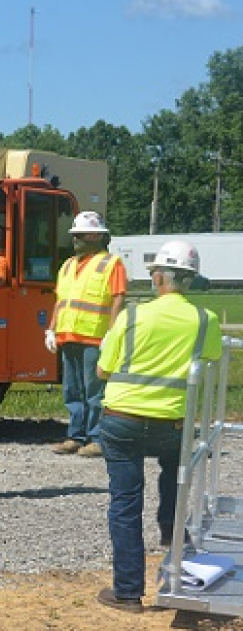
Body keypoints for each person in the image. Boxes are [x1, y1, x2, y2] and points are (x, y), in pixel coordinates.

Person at [93, 240, 221, 614]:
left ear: (160, 277)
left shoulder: (131, 316)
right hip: (172, 421)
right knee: (175, 476)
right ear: (191, 280)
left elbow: (103, 369)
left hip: (122, 420)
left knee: (125, 502)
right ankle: (170, 528)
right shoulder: (204, 320)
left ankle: (128, 593)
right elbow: (211, 356)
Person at [47, 211, 126, 457]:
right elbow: (61, 301)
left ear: (95, 236)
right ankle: (76, 435)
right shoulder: (68, 265)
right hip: (69, 336)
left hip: (94, 337)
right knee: (73, 390)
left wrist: (111, 333)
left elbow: (118, 299)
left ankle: (96, 437)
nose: (74, 240)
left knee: (95, 391)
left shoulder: (112, 264)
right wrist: (51, 328)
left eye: (79, 235)